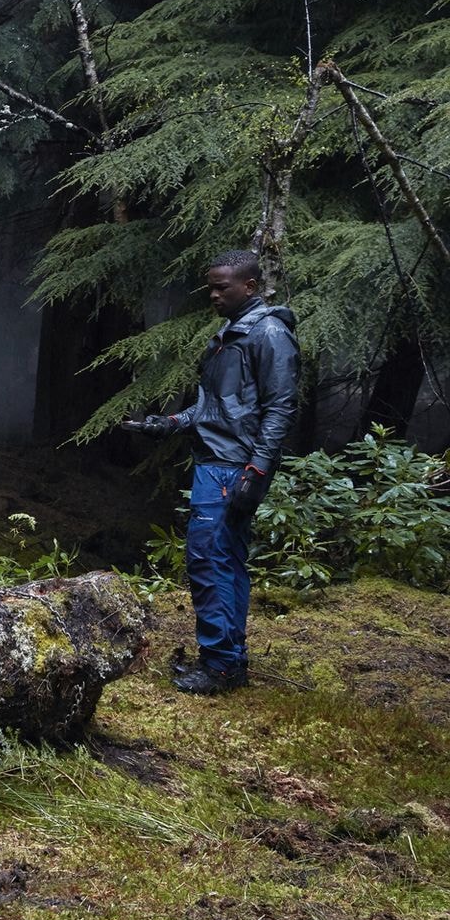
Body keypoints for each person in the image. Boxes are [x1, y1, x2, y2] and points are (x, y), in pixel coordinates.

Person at [122, 250, 301, 695]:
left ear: (251, 287)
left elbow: (281, 408)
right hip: (220, 461)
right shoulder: (230, 333)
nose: (214, 294)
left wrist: (257, 468)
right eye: (211, 286)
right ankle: (228, 661)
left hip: (232, 466)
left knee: (208, 560)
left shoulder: (269, 334)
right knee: (225, 559)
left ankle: (219, 666)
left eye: (223, 286)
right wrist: (167, 425)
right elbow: (212, 407)